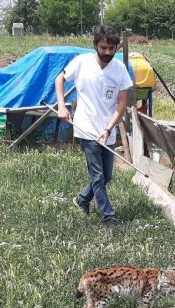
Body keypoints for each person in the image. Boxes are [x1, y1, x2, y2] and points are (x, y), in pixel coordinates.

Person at [55, 25, 133, 230]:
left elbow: (122, 104)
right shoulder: (82, 63)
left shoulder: (120, 70)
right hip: (85, 127)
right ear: (96, 46)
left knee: (107, 175)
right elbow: (59, 79)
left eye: (111, 48)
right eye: (103, 47)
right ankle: (109, 217)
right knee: (97, 175)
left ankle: (82, 200)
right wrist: (62, 106)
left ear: (116, 47)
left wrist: (108, 129)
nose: (107, 52)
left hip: (107, 129)